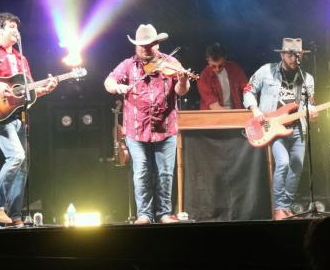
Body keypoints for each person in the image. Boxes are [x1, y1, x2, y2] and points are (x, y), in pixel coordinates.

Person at [0, 12, 57, 226]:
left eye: (17, 27)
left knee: (22, 165)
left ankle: (15, 216)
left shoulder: (21, 59)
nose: (16, 31)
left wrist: (46, 89)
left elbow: (29, 92)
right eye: (12, 27)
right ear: (0, 30)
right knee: (16, 156)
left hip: (17, 117)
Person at [104, 23, 191, 224]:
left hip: (165, 127)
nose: (144, 49)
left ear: (157, 44)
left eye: (149, 44)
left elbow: (180, 91)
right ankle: (144, 214)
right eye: (141, 45)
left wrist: (184, 80)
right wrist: (117, 87)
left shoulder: (171, 63)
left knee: (165, 173)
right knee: (141, 170)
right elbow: (108, 81)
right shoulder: (128, 65)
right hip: (136, 129)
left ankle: (164, 213)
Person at [243, 37, 316, 220]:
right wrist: (255, 110)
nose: (294, 58)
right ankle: (278, 209)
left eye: (298, 55)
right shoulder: (266, 71)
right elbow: (248, 90)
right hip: (273, 126)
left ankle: (287, 207)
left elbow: (310, 103)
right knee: (282, 163)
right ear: (282, 54)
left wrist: (313, 113)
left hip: (298, 127)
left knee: (297, 166)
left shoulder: (307, 79)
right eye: (291, 54)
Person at [196, 43, 248, 110]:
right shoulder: (204, 77)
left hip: (234, 111)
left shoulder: (235, 69)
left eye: (220, 65)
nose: (217, 69)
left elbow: (247, 89)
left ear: (225, 58)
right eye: (213, 66)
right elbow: (215, 107)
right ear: (208, 60)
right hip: (213, 116)